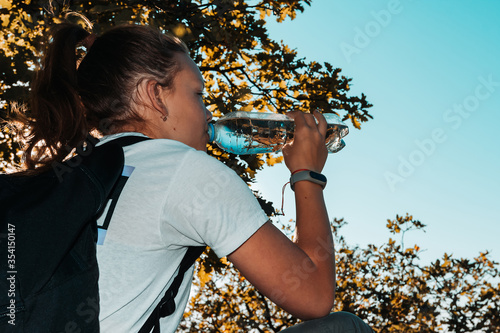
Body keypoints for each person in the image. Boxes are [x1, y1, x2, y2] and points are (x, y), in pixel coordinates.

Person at [24, 21, 374, 333]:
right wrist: (306, 173)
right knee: (342, 327)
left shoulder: (74, 175)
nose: (208, 113)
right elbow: (312, 296)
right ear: (154, 95)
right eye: (197, 94)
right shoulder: (181, 168)